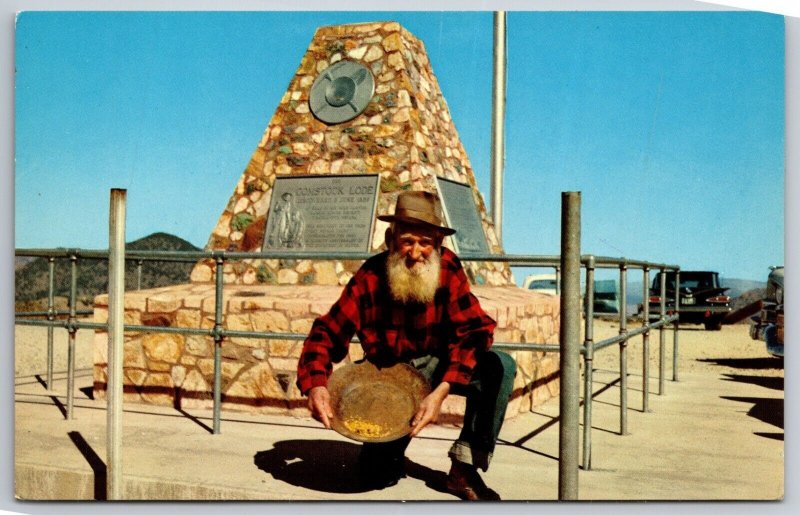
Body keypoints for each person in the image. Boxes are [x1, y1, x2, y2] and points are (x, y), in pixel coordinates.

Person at [296, 190, 516, 501]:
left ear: (438, 244)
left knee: (499, 366)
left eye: (425, 243)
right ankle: (386, 456)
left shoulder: (449, 269)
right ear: (391, 239)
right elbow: (326, 332)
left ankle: (464, 470)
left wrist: (442, 391)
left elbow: (476, 331)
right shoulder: (369, 276)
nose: (416, 253)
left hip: (437, 369)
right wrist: (315, 384)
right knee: (375, 477)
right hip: (387, 379)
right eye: (408, 241)